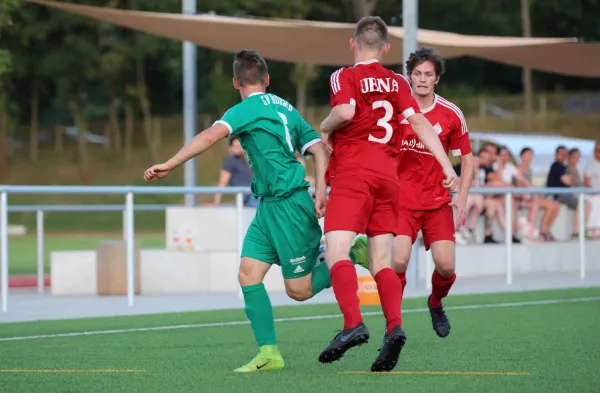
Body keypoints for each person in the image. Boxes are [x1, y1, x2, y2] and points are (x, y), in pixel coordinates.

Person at [143, 49, 368, 373]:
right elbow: (319, 148)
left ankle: (348, 255)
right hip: (270, 206)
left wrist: (169, 164)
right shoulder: (286, 107)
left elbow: (209, 136)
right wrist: (320, 191)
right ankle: (269, 353)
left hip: (290, 205)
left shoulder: (243, 110)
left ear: (236, 82)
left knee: (299, 290)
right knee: (248, 273)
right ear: (267, 79)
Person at [318, 19, 458, 372]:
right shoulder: (397, 81)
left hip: (354, 175)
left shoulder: (343, 77)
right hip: (388, 180)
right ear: (384, 48)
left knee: (336, 251)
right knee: (381, 262)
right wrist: (447, 166)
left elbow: (346, 111)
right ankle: (394, 327)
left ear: (353, 44)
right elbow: (419, 123)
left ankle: (352, 324)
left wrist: (325, 125)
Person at [387, 47, 473, 339]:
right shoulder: (394, 109)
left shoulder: (450, 113)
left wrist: (461, 196)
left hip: (437, 203)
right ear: (409, 76)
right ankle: (393, 326)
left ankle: (435, 303)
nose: (422, 79)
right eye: (417, 74)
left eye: (428, 75)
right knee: (398, 261)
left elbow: (468, 158)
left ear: (437, 79)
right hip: (401, 202)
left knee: (447, 267)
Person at [517, 147, 560, 241]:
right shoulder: (519, 169)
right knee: (549, 206)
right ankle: (542, 231)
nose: (529, 157)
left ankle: (546, 229)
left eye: (531, 155)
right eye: (527, 155)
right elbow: (519, 186)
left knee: (556, 205)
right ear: (521, 156)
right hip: (522, 198)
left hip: (530, 196)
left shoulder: (529, 169)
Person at [546, 146, 590, 239]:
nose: (563, 156)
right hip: (558, 195)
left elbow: (574, 183)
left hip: (565, 193)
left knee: (587, 204)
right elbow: (567, 181)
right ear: (556, 154)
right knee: (581, 204)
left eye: (565, 154)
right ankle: (576, 232)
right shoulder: (557, 166)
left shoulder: (565, 167)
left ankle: (582, 229)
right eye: (561, 153)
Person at [207, 136, 258, 207]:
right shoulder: (230, 161)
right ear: (230, 148)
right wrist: (216, 202)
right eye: (236, 147)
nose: (239, 149)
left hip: (253, 195)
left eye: (241, 146)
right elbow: (222, 182)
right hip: (248, 198)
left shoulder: (243, 161)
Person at [583, 142, 600, 238]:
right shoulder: (591, 166)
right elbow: (586, 181)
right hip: (593, 193)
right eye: (597, 150)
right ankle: (593, 229)